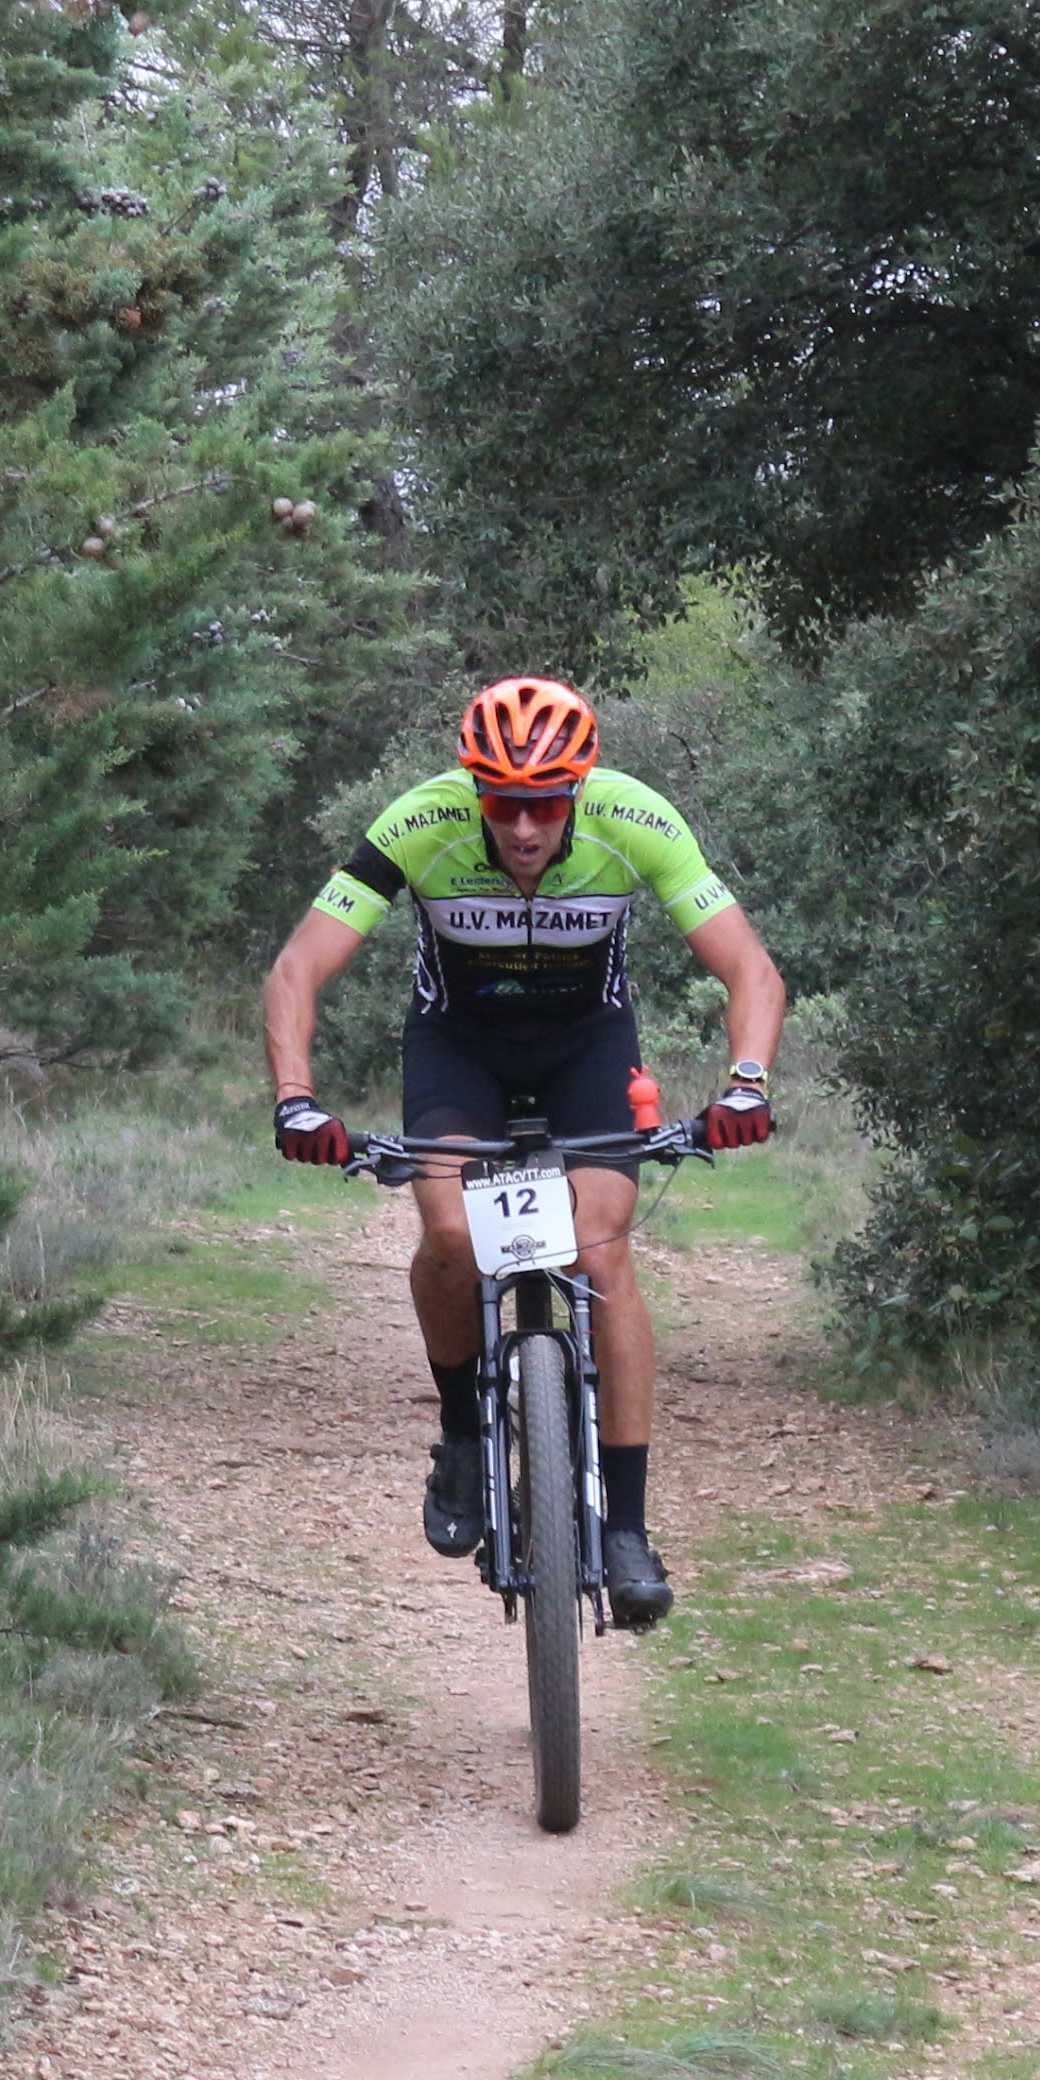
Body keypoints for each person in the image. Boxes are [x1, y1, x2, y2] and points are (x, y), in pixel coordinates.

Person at [260, 676, 789, 1627]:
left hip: (588, 1047)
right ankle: (465, 1433)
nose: (523, 826)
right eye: (503, 803)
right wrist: (297, 1101)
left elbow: (748, 966)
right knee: (450, 1235)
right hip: (459, 1048)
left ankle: (626, 1527)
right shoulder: (420, 822)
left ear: (578, 791)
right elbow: (299, 966)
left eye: (544, 803)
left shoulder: (637, 819)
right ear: (475, 791)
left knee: (600, 1253)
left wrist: (746, 1082)